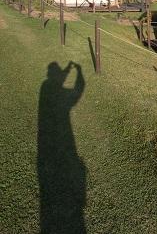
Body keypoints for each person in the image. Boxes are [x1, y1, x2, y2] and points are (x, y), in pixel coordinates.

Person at [37, 61, 86, 234]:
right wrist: (79, 71)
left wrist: (69, 70)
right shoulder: (50, 86)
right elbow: (77, 91)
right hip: (61, 134)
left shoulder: (46, 85)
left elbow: (61, 80)